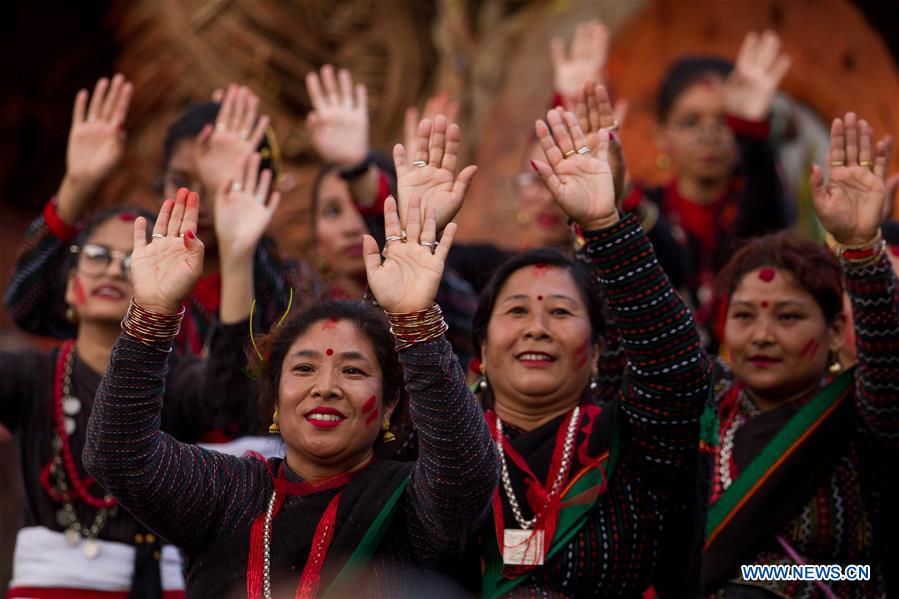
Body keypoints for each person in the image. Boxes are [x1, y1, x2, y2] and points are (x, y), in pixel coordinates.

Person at [83, 180, 500, 596]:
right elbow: (118, 455)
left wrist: (416, 321)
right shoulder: (230, 493)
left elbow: (467, 467)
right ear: (275, 400)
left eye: (353, 372)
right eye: (303, 368)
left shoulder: (412, 503)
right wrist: (152, 315)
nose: (326, 387)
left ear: (389, 405)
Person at [470, 107, 712, 597]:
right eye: (516, 312)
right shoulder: (447, 450)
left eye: (560, 313)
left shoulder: (633, 448)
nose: (536, 329)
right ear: (481, 347)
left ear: (600, 351)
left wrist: (604, 224)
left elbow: (677, 368)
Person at [2, 167, 278, 596]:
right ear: (72, 288)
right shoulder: (29, 375)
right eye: (97, 256)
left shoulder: (179, 378)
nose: (113, 270)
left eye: (131, 259)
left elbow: (230, 397)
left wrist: (238, 256)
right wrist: (76, 179)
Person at [703, 112, 898, 598]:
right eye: (745, 316)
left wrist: (860, 249)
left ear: (835, 332)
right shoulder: (704, 413)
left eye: (788, 318)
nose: (762, 335)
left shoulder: (863, 419)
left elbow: (862, 577)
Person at [4, 76, 322, 355]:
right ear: (160, 185)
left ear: (263, 192)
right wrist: (77, 185)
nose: (198, 201)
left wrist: (236, 246)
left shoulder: (290, 286)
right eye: (182, 182)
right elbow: (28, 308)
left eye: (223, 184)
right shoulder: (130, 271)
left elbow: (241, 385)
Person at [304, 66, 480, 369]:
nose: (351, 227)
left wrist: (359, 170)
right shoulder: (298, 315)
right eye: (333, 211)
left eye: (364, 207)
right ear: (315, 234)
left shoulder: (442, 298)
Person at [629, 31, 793, 345]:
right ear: (662, 134)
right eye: (690, 121)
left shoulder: (761, 204)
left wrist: (750, 131)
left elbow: (764, 224)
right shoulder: (639, 207)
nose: (709, 135)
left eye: (723, 121)